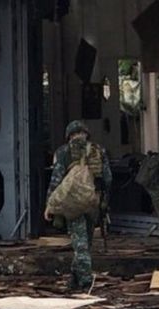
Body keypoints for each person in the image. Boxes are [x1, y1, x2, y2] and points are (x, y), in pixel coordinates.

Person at [44, 120, 112, 291]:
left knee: (79, 244)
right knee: (85, 243)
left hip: (72, 203)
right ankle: (75, 278)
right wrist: (104, 201)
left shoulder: (63, 152)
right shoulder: (99, 150)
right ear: (86, 133)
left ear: (69, 136)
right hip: (92, 201)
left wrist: (49, 205)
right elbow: (108, 179)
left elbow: (56, 179)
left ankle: (85, 282)